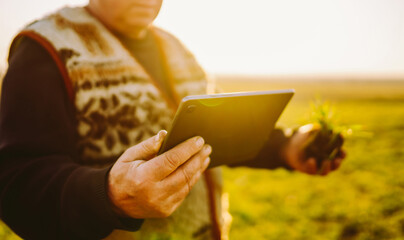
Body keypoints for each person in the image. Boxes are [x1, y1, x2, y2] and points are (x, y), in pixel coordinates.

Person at [0, 0, 345, 239]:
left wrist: (286, 147)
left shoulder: (176, 47)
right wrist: (109, 195)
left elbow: (217, 132)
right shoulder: (45, 48)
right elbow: (15, 182)